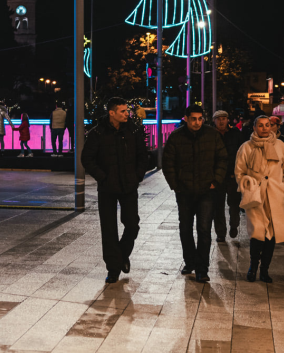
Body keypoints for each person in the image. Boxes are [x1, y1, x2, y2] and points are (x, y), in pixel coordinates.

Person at [83, 97, 148, 284]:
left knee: (132, 224)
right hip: (107, 188)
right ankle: (113, 269)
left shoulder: (134, 130)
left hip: (129, 185)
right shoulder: (98, 133)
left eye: (126, 110)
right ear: (111, 113)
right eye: (122, 111)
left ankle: (122, 255)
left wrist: (137, 176)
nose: (127, 113)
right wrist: (103, 177)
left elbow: (143, 156)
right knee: (109, 229)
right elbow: (87, 158)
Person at [162, 105, 228, 283]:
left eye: (200, 119)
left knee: (204, 230)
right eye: (193, 119)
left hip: (207, 190)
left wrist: (216, 180)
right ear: (186, 119)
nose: (197, 122)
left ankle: (202, 269)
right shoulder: (176, 137)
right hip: (184, 191)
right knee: (185, 228)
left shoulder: (212, 135)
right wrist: (175, 185)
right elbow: (168, 162)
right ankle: (189, 261)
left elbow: (223, 158)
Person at [235, 115, 284, 283]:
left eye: (267, 125)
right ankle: (253, 267)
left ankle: (265, 270)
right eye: (260, 125)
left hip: (276, 195)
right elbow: (239, 171)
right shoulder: (246, 147)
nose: (264, 128)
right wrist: (245, 185)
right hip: (256, 195)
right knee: (257, 233)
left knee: (272, 234)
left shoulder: (280, 146)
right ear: (254, 127)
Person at [212, 110, 244, 241]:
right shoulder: (210, 134)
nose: (221, 121)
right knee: (217, 206)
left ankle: (234, 225)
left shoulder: (236, 134)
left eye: (224, 118)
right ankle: (220, 233)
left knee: (234, 205)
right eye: (218, 119)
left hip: (233, 176)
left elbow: (242, 153)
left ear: (227, 120)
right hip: (216, 177)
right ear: (214, 121)